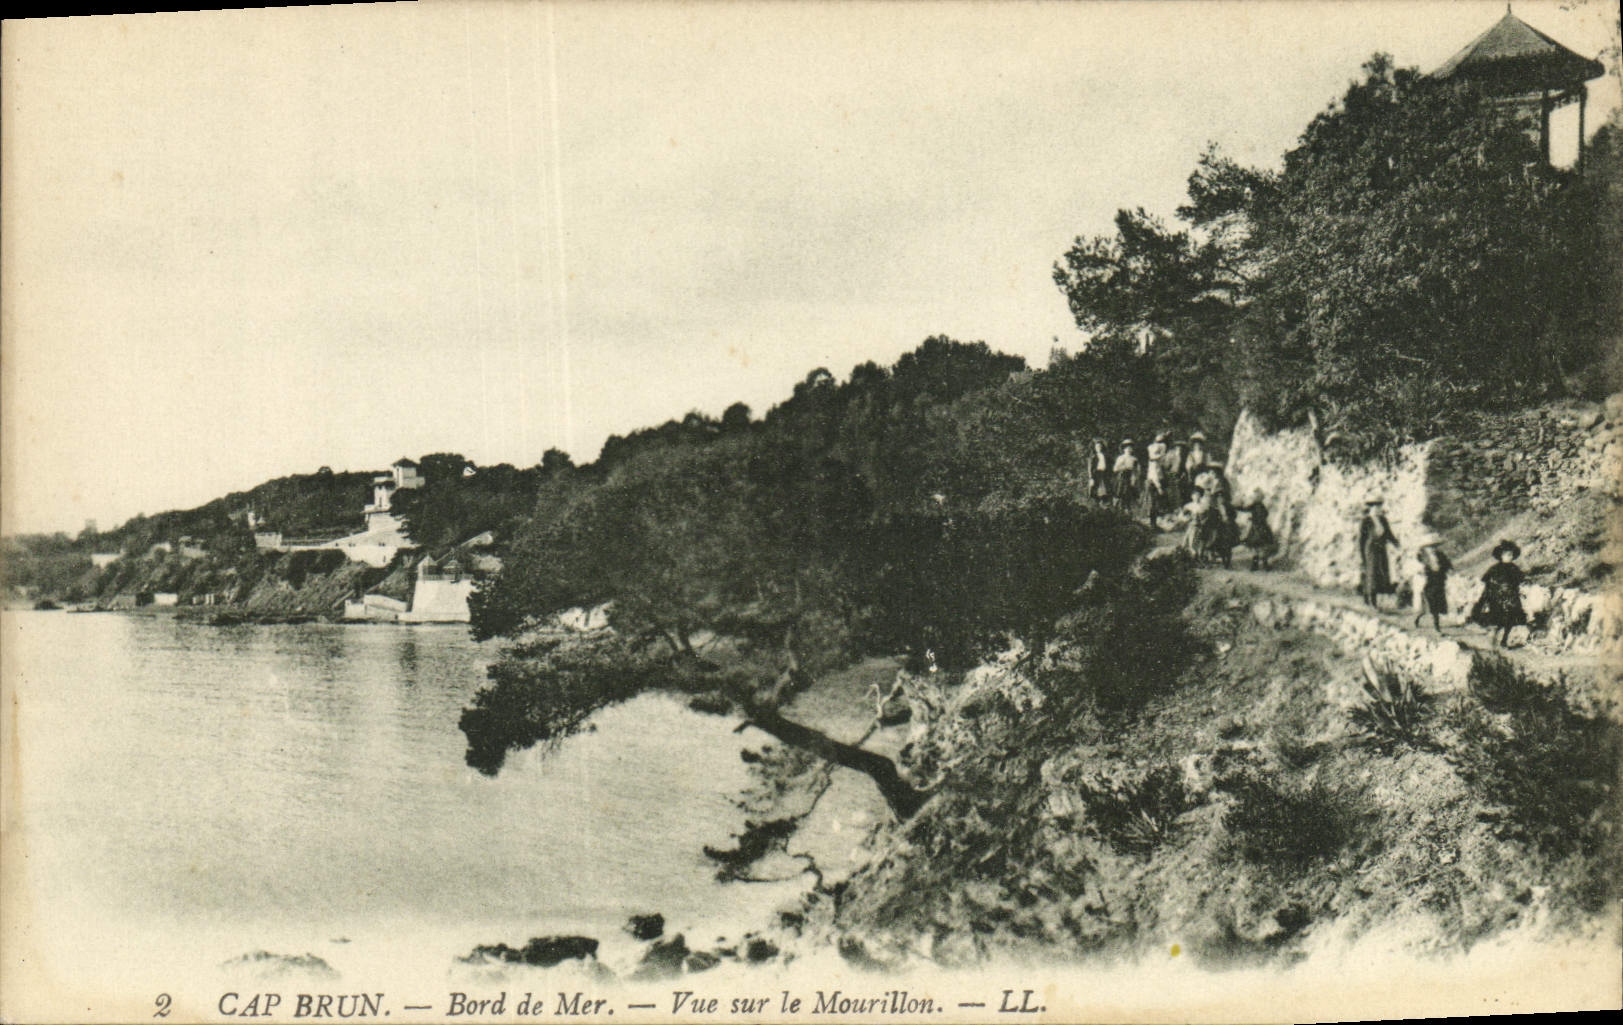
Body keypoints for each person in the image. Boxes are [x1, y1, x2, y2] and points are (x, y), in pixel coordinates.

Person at [1472, 539, 1526, 648]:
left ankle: (1504, 639)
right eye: (1507, 554)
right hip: (1497, 598)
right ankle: (1494, 639)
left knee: (1511, 618)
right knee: (1498, 619)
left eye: (1511, 555)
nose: (1509, 556)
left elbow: (1519, 581)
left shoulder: (1514, 568)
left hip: (1511, 597)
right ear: (1501, 556)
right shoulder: (1495, 569)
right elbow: (1488, 583)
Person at [1358, 497, 1399, 609]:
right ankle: (1372, 601)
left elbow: (1389, 534)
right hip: (1370, 550)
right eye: (1375, 507)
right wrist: (1362, 556)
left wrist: (1397, 544)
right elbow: (1361, 540)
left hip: (1381, 549)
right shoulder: (1366, 521)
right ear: (1371, 508)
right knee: (1372, 574)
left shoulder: (1383, 520)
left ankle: (1371, 598)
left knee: (1381, 574)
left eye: (1379, 507)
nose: (1378, 509)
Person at [1413, 534, 1451, 633]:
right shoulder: (1422, 557)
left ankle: (1436, 625)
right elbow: (1418, 569)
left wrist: (1446, 569)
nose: (1432, 548)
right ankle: (1429, 623)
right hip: (1428, 584)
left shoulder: (1440, 555)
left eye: (1434, 546)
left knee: (1437, 606)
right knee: (1430, 605)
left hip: (1439, 583)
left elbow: (1448, 565)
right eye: (1430, 546)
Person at [1234, 489, 1277, 571]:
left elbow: (1245, 509)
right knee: (1262, 547)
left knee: (1256, 547)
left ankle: (1255, 566)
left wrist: (1238, 507)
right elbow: (1264, 515)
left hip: (1256, 528)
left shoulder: (1254, 505)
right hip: (1263, 528)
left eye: (1255, 496)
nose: (1253, 498)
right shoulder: (1262, 506)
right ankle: (1264, 565)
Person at [1144, 432, 1169, 527]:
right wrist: (1159, 487)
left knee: (1156, 504)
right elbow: (1154, 476)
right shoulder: (1153, 462)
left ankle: (1154, 523)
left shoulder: (1158, 462)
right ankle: (1152, 524)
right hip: (1153, 484)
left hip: (1156, 482)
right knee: (1152, 503)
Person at [1111, 439, 1140, 512]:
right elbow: (1115, 469)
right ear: (1124, 449)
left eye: (1130, 448)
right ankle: (1116, 509)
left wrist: (1135, 477)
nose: (1129, 450)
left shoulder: (1134, 459)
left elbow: (1137, 470)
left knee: (1130, 494)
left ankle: (1129, 511)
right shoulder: (1121, 458)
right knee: (1120, 493)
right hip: (1122, 477)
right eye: (1127, 448)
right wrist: (1123, 467)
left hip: (1131, 477)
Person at [1087, 438, 1111, 503]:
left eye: (1100, 446)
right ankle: (1097, 504)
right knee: (1096, 490)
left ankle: (1104, 503)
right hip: (1096, 474)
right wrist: (1091, 478)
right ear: (1095, 448)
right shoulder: (1093, 457)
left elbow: (1108, 466)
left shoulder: (1105, 456)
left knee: (1105, 490)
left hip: (1104, 474)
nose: (1099, 448)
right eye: (1097, 446)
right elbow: (1090, 468)